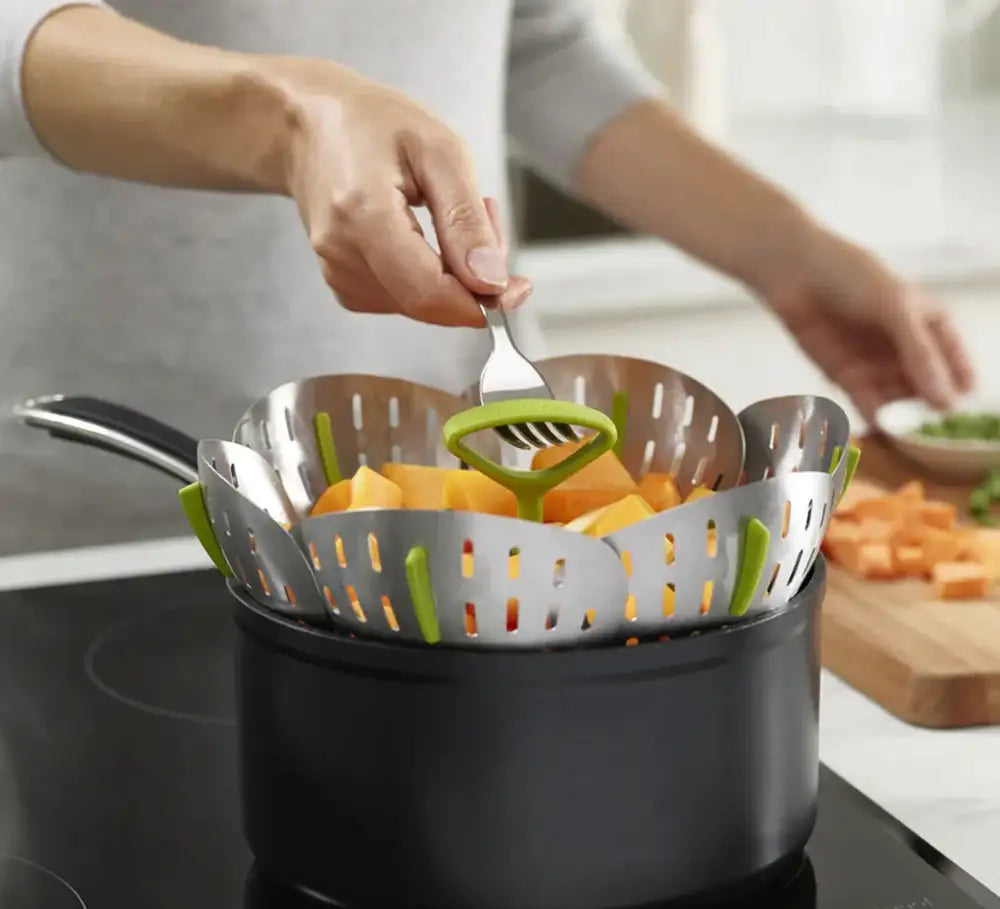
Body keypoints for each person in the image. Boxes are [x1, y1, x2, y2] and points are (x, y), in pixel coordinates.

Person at [0, 1, 974, 555]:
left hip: (474, 470)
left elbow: (536, 42)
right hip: (110, 506)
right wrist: (290, 117)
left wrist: (789, 253)